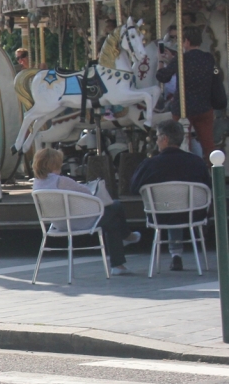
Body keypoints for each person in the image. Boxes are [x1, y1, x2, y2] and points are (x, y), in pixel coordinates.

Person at [32, 147, 140, 275]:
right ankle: (126, 238)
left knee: (113, 222)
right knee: (115, 205)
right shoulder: (62, 181)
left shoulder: (37, 184)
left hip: (57, 224)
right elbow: (88, 194)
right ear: (55, 163)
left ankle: (120, 262)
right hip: (78, 222)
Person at [131, 118, 213, 271]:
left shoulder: (150, 165)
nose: (156, 142)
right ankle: (179, 255)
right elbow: (208, 187)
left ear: (165, 139)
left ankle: (175, 255)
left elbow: (133, 188)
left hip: (160, 215)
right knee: (179, 207)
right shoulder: (196, 162)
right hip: (194, 214)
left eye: (157, 137)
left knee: (171, 206)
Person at [156, 24, 222, 158]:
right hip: (204, 107)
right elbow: (215, 73)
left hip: (183, 108)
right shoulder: (208, 58)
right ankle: (214, 171)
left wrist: (161, 62)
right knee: (209, 145)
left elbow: (162, 76)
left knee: (179, 143)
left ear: (186, 41)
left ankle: (183, 170)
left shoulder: (182, 59)